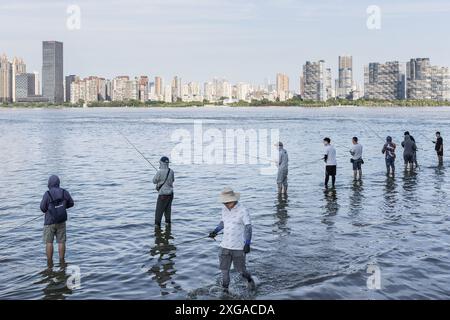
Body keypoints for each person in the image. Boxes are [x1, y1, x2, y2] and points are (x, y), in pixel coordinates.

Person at [208, 187, 255, 292]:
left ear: (233, 199)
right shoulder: (224, 209)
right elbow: (223, 222)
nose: (225, 204)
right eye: (224, 202)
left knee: (241, 271)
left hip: (238, 247)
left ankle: (249, 280)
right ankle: (225, 291)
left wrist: (247, 243)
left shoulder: (243, 210)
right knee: (224, 271)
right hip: (224, 246)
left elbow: (248, 227)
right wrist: (215, 231)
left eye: (227, 202)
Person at [40, 175, 74, 268]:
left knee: (49, 242)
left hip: (49, 222)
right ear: (58, 182)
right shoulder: (64, 192)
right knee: (61, 241)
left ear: (49, 183)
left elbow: (43, 208)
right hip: (61, 221)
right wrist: (63, 207)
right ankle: (62, 261)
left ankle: (49, 263)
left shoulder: (47, 194)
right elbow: (71, 203)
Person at [153, 156, 175, 228]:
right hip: (170, 195)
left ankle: (157, 229)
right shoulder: (171, 171)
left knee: (158, 214)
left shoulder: (159, 172)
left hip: (163, 196)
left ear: (161, 163)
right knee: (168, 212)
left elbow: (154, 181)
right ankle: (168, 227)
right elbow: (173, 180)